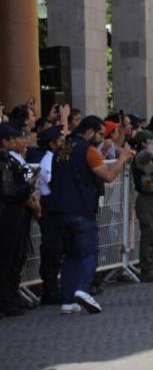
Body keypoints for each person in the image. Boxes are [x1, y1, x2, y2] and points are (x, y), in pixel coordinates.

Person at [46, 116, 134, 314]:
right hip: (81, 210)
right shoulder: (88, 150)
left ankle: (67, 300)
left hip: (59, 210)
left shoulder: (60, 150)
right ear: (89, 132)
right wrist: (123, 158)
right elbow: (109, 176)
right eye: (100, 134)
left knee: (70, 255)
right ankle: (83, 290)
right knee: (89, 252)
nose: (102, 138)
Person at [0, 124, 38, 316]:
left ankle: (11, 297)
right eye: (13, 139)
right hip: (7, 217)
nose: (17, 141)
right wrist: (28, 186)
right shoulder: (4, 162)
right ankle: (6, 300)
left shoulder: (9, 160)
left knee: (16, 258)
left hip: (15, 215)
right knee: (7, 260)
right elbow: (8, 192)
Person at [131, 129, 153, 282]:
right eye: (150, 141)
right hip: (147, 199)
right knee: (149, 234)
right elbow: (147, 155)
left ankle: (151, 264)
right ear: (144, 143)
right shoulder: (141, 156)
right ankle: (147, 268)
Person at [35, 125, 66, 303]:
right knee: (52, 248)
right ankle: (50, 290)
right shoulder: (48, 159)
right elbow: (51, 180)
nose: (63, 143)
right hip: (50, 205)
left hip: (56, 205)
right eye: (60, 140)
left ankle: (53, 287)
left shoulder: (56, 158)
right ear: (52, 143)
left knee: (57, 248)